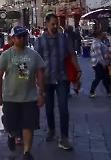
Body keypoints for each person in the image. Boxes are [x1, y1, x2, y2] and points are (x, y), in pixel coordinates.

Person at [0, 25, 45, 160]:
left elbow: (40, 73)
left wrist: (41, 93)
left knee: (28, 125)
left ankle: (27, 151)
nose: (22, 39)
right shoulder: (7, 55)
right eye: (19, 36)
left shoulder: (33, 54)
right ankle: (12, 134)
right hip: (10, 97)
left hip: (29, 97)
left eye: (24, 36)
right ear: (13, 38)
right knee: (10, 124)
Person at [33, 13, 79, 151]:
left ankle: (64, 137)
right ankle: (52, 129)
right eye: (52, 24)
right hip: (46, 79)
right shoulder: (40, 40)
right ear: (46, 24)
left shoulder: (64, 38)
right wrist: (36, 78)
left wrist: (78, 70)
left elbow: (72, 54)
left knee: (63, 107)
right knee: (49, 107)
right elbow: (36, 61)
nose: (55, 27)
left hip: (62, 77)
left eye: (56, 24)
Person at [89, 33, 111, 98]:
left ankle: (109, 92)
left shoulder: (100, 42)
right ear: (98, 35)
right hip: (99, 63)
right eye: (102, 34)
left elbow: (107, 50)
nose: (103, 35)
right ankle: (91, 92)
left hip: (102, 63)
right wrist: (103, 63)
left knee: (105, 77)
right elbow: (99, 55)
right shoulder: (96, 43)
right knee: (98, 77)